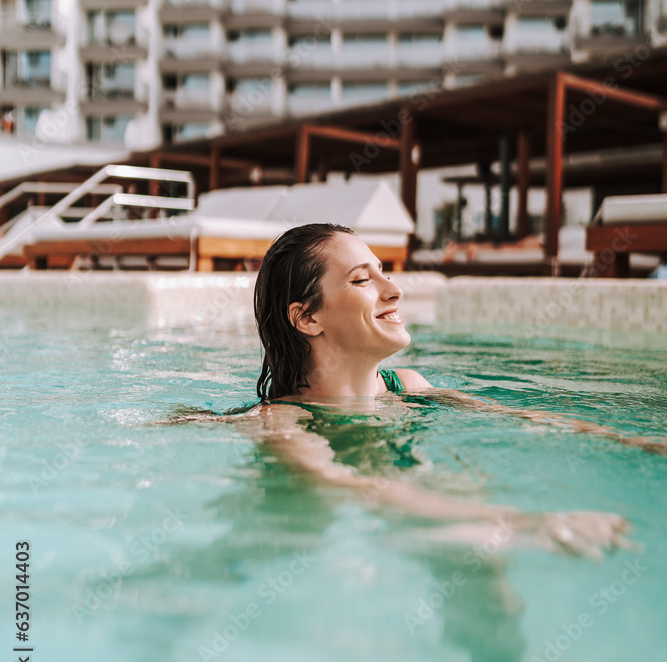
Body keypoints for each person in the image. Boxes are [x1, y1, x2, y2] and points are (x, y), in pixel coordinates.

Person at [169, 223, 665, 557]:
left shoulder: (407, 386)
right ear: (307, 317)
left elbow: (527, 421)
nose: (394, 290)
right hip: (345, 543)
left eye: (384, 272)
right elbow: (351, 489)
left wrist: (637, 445)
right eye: (364, 280)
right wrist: (528, 523)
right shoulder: (285, 421)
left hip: (432, 512)